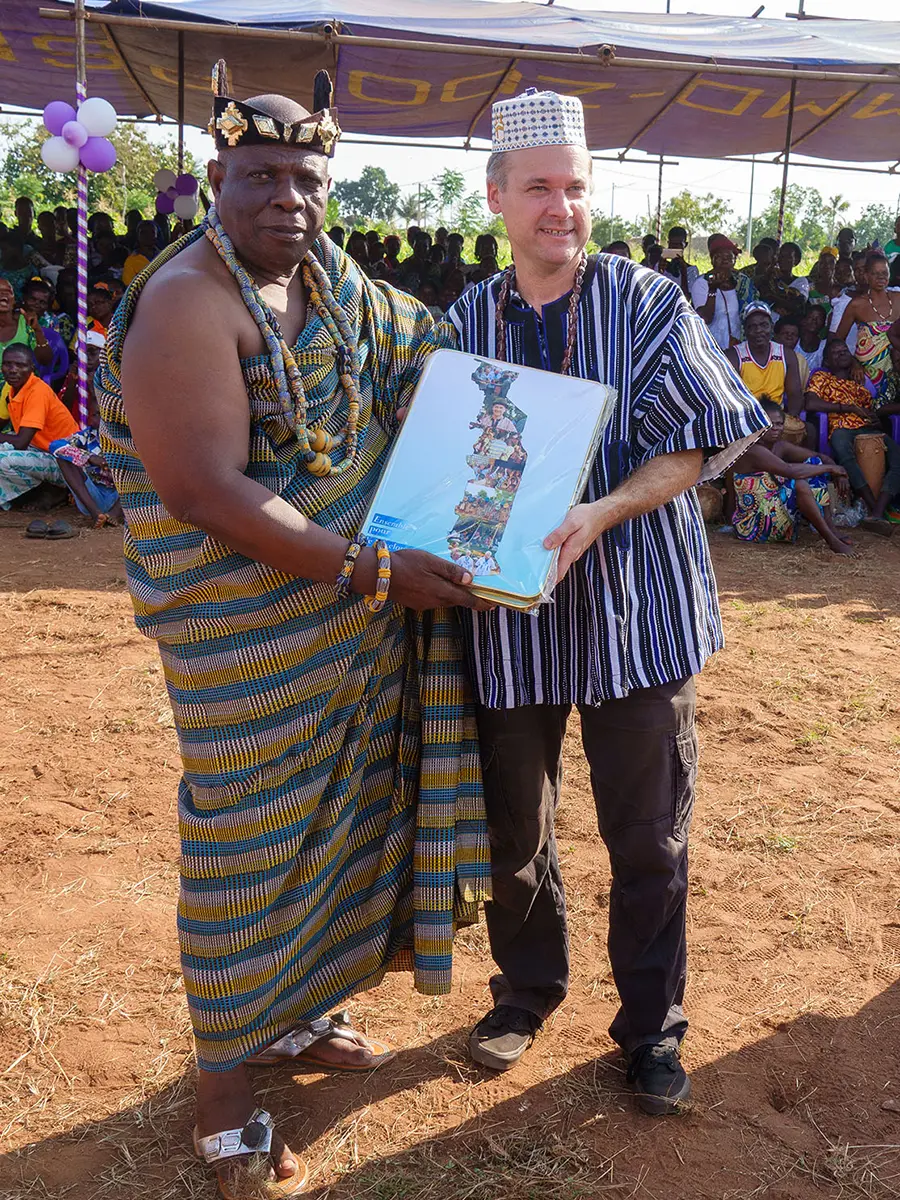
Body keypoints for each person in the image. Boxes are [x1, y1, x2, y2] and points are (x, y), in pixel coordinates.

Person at [95, 65, 490, 1197]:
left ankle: (301, 1015)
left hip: (353, 623)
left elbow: (426, 353)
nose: (288, 199)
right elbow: (206, 490)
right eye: (261, 176)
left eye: (307, 180)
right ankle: (225, 1097)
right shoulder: (188, 302)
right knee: (249, 845)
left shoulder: (335, 281)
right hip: (250, 638)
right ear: (215, 179)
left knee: (342, 827)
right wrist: (373, 567)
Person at [442, 88, 766, 1116]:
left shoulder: (647, 302)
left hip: (639, 613)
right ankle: (526, 992)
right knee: (513, 828)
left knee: (650, 837)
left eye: (576, 186)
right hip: (510, 621)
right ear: (496, 196)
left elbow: (693, 442)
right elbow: (450, 469)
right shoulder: (465, 323)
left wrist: (604, 508)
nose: (562, 207)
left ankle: (652, 1030)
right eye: (539, 186)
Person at [731, 398, 852, 554]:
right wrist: (832, 469)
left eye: (779, 424)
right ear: (757, 423)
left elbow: (819, 458)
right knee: (800, 482)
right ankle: (831, 540)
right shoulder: (752, 450)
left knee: (814, 463)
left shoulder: (779, 447)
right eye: (770, 423)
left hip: (775, 517)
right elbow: (790, 471)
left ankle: (831, 528)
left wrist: (838, 473)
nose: (775, 428)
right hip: (754, 527)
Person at [804, 337, 900, 534]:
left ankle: (877, 511)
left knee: (898, 459)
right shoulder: (822, 378)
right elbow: (810, 404)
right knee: (845, 455)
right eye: (836, 352)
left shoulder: (860, 383)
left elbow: (873, 411)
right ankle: (875, 510)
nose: (842, 353)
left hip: (869, 429)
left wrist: (876, 421)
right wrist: (846, 408)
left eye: (844, 350)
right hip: (841, 428)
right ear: (827, 361)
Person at [51, 333, 123, 528]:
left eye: (92, 353)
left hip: (122, 498)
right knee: (62, 455)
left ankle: (114, 515)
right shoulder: (88, 436)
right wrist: (89, 458)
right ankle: (96, 513)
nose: (93, 417)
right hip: (94, 494)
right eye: (83, 353)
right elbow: (56, 445)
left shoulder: (123, 435)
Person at [0, 343, 78, 509]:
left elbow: (20, 442)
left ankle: (51, 491)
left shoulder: (37, 392)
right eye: (7, 364)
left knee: (2, 460)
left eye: (20, 365)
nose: (13, 370)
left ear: (31, 368)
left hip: (67, 464)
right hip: (40, 451)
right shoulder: (12, 390)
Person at [835, 251, 900, 399]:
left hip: (897, 371)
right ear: (866, 276)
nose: (881, 277)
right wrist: (853, 363)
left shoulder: (898, 299)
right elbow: (838, 340)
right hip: (867, 375)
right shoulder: (856, 305)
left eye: (884, 272)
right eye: (875, 273)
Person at [727, 304, 804, 418]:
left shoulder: (786, 355)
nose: (758, 330)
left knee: (810, 430)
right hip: (746, 417)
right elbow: (730, 398)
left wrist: (790, 420)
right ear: (745, 330)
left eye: (764, 325)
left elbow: (795, 395)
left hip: (777, 416)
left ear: (772, 327)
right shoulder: (733, 355)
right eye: (752, 326)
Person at [691, 234, 756, 350]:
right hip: (710, 347)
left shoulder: (743, 282)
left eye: (729, 256)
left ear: (735, 259)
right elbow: (705, 318)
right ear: (712, 260)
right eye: (719, 256)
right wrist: (712, 290)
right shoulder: (702, 283)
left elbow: (752, 313)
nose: (725, 259)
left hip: (739, 347)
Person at [21, 277, 69, 391]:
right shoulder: (16, 317)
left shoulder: (51, 321)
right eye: (33, 299)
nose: (37, 304)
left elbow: (55, 349)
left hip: (41, 364)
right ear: (24, 298)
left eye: (42, 302)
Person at [0, 277, 53, 369]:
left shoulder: (27, 323)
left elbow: (45, 361)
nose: (3, 295)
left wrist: (37, 330)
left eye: (8, 292)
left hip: (21, 381)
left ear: (14, 299)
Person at [122, 220, 159, 286]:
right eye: (143, 232)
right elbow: (129, 286)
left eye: (152, 232)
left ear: (156, 235)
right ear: (137, 235)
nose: (148, 235)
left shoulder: (164, 255)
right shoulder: (131, 261)